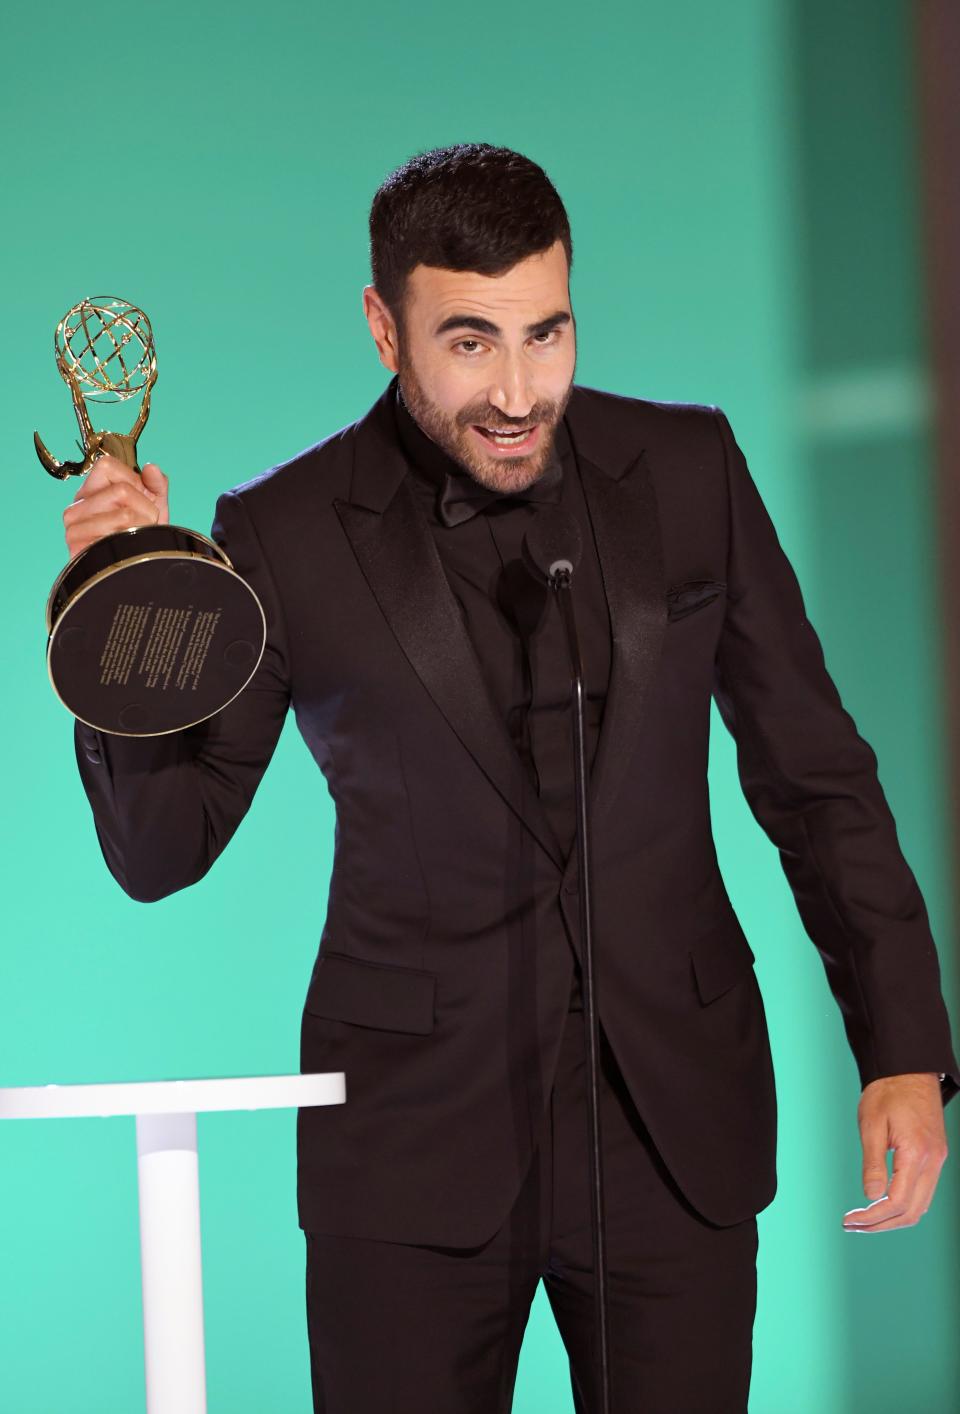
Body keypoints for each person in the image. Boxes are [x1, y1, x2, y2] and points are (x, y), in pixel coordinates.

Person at [65, 143, 958, 1414]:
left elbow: (816, 777)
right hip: (411, 1155)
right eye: (471, 342)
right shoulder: (283, 532)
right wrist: (127, 603)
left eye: (547, 334)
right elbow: (164, 848)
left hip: (672, 1134)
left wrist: (903, 1046)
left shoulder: (691, 472)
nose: (520, 390)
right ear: (385, 327)